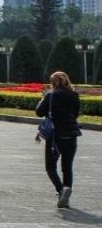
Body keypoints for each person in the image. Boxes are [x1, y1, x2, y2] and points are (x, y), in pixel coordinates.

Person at [36, 71, 82, 209]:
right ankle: (67, 189)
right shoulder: (74, 95)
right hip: (72, 134)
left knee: (50, 167)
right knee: (67, 167)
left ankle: (61, 189)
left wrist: (42, 98)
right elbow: (75, 113)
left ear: (53, 83)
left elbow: (39, 112)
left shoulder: (51, 95)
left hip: (56, 136)